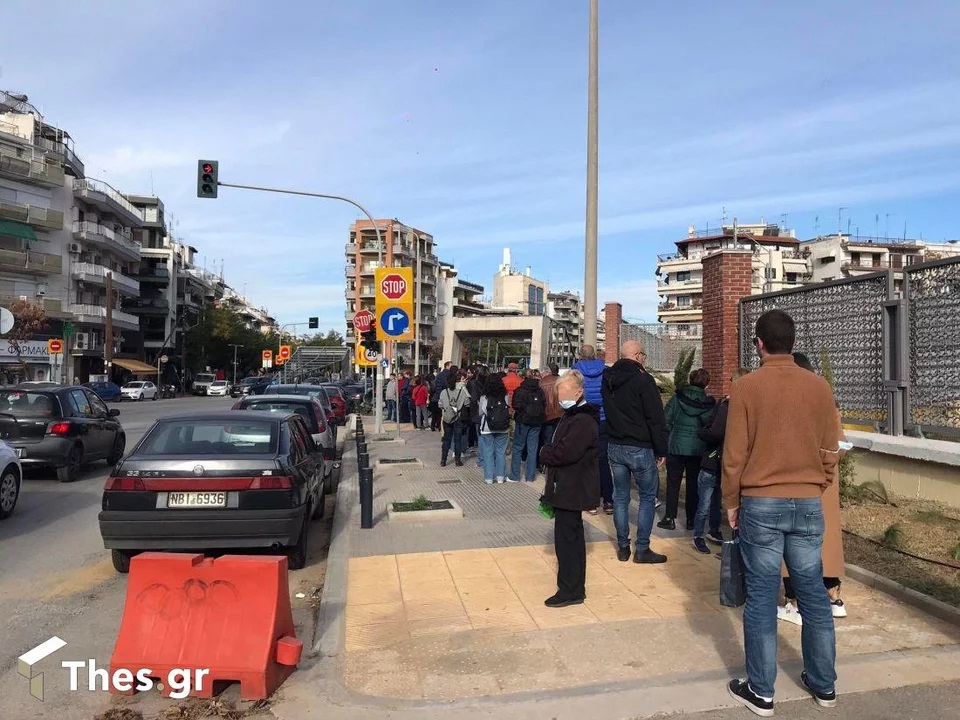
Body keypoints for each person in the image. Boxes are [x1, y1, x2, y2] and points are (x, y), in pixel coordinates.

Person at [722, 309, 843, 715]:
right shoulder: (819, 387)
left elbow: (734, 454)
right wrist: (818, 483)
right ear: (792, 342)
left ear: (758, 344)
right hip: (807, 500)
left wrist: (732, 501)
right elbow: (830, 447)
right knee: (812, 592)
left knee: (760, 595)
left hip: (760, 501)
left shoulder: (746, 387)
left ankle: (761, 691)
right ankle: (824, 685)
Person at [778, 352, 848, 625]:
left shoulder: (790, 401)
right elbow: (839, 444)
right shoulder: (826, 398)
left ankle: (794, 602)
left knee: (793, 540)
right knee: (826, 540)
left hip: (798, 480)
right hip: (825, 481)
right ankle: (833, 596)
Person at [602, 341, 670, 564]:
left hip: (615, 444)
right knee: (647, 497)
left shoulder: (608, 378)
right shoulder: (643, 379)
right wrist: (661, 449)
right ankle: (642, 548)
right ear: (638, 355)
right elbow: (655, 416)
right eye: (644, 355)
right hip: (640, 445)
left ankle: (623, 546)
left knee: (620, 497)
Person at [540, 370, 600, 607]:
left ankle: (570, 590)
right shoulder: (571, 415)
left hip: (573, 487)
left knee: (567, 541)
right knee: (568, 539)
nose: (560, 398)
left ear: (578, 392)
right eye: (559, 393)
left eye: (564, 393)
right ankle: (572, 588)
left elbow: (566, 452)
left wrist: (545, 452)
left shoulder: (582, 420)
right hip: (566, 486)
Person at [691, 367, 751, 554]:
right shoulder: (730, 405)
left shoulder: (730, 405)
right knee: (713, 502)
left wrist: (702, 432)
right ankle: (706, 534)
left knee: (710, 502)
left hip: (719, 461)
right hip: (722, 462)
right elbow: (715, 431)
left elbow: (713, 432)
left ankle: (707, 533)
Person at [659, 368, 716, 531]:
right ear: (706, 384)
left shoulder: (677, 399)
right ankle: (691, 519)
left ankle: (670, 517)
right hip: (697, 448)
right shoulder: (709, 404)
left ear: (690, 380)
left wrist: (665, 442)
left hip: (676, 446)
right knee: (693, 484)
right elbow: (710, 425)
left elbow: (666, 421)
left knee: (673, 482)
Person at [573, 345, 614, 514]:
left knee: (587, 459)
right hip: (603, 418)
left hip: (584, 419)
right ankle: (608, 500)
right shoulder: (606, 370)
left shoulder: (575, 371)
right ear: (595, 355)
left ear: (580, 355)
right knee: (603, 460)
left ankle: (591, 502)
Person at [510, 369, 546, 482]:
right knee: (532, 449)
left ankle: (515, 475)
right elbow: (544, 404)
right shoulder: (540, 390)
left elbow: (515, 405)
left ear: (523, 377)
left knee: (517, 447)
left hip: (523, 421)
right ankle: (530, 476)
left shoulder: (520, 390)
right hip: (537, 422)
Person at [478, 373, 511, 484]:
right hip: (503, 427)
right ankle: (500, 477)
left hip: (487, 427)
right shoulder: (505, 395)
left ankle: (489, 478)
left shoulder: (484, 396)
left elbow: (481, 412)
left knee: (488, 453)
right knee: (500, 453)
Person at [439, 372, 470, 467]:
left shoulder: (444, 392)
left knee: (446, 439)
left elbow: (440, 405)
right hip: (458, 418)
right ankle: (457, 460)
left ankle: (443, 460)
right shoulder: (462, 392)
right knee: (458, 440)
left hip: (447, 418)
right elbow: (467, 403)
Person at [538, 363, 563, 473]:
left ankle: (546, 465)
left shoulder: (541, 383)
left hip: (546, 416)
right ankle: (557, 465)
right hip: (560, 414)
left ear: (544, 373)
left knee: (547, 441)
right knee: (558, 439)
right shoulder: (559, 381)